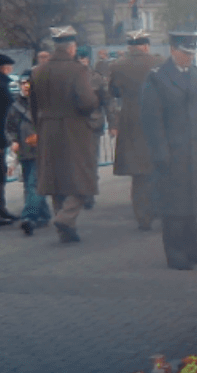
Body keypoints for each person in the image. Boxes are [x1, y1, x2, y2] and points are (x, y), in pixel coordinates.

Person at [140, 33, 197, 270]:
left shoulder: (196, 74)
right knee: (174, 206)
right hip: (172, 151)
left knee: (192, 203)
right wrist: (160, 152)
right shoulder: (158, 78)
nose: (189, 58)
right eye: (185, 53)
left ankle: (193, 249)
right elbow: (152, 120)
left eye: (192, 54)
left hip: (194, 150)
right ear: (173, 50)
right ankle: (175, 253)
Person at [29, 27, 100, 243]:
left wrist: (40, 125)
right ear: (71, 48)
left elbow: (33, 106)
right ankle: (65, 217)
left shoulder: (38, 71)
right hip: (74, 129)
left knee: (55, 179)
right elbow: (87, 101)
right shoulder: (77, 70)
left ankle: (64, 230)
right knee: (83, 177)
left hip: (47, 128)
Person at [109, 32, 164, 231]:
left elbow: (113, 92)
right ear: (146, 46)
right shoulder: (159, 63)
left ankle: (143, 216)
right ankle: (158, 207)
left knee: (138, 173)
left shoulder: (116, 65)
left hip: (130, 119)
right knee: (157, 165)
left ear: (130, 46)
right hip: (156, 118)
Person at [5, 71, 51, 235]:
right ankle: (44, 215)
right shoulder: (16, 106)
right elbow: (10, 128)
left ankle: (29, 218)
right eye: (23, 83)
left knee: (33, 184)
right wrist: (14, 141)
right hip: (25, 151)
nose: (25, 86)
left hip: (42, 150)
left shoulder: (44, 104)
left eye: (28, 83)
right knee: (30, 185)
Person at [75, 44, 111, 210]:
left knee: (91, 161)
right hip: (74, 125)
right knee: (77, 162)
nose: (82, 61)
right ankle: (80, 192)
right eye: (79, 58)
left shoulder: (96, 78)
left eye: (84, 58)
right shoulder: (70, 77)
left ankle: (89, 193)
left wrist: (112, 123)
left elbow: (107, 101)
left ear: (88, 59)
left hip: (93, 124)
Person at [0, 52, 16, 225]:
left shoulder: (1, 84)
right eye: (10, 66)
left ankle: (1, 209)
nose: (11, 69)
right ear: (3, 67)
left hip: (0, 137)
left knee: (0, 175)